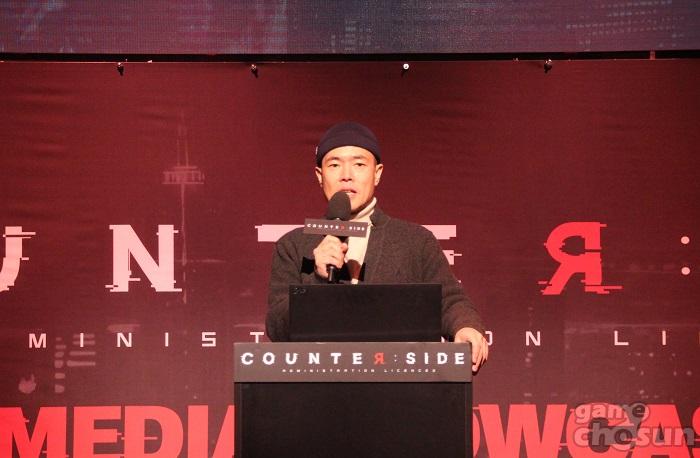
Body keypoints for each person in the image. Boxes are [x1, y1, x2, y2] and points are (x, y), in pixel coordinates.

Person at [266, 121, 488, 372]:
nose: (346, 175)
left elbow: (448, 299)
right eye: (334, 165)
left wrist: (465, 326)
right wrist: (317, 281)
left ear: (377, 173)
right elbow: (277, 327)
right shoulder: (293, 245)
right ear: (320, 176)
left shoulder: (415, 240)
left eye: (359, 164)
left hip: (398, 383)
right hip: (318, 384)